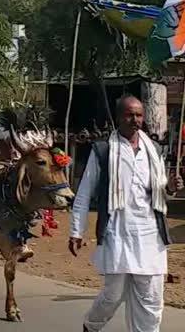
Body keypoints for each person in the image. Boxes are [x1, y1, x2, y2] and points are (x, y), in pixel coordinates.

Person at [70, 95, 184, 332]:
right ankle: (91, 326)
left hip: (151, 234)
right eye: (130, 115)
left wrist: (170, 187)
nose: (135, 120)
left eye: (139, 115)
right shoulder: (103, 150)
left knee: (151, 300)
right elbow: (84, 192)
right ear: (119, 117)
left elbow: (160, 192)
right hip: (118, 233)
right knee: (113, 296)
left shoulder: (153, 149)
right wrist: (76, 231)